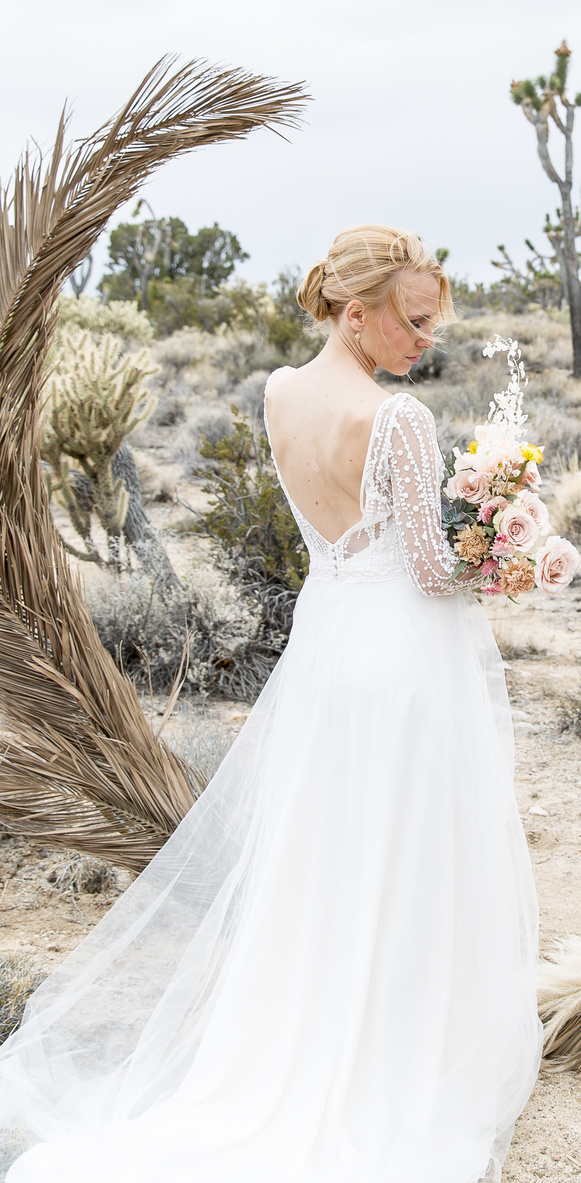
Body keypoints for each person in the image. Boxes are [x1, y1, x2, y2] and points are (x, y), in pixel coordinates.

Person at [0, 225, 543, 1181]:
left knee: (330, 856)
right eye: (414, 322)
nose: (428, 340)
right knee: (406, 852)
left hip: (329, 648)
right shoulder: (400, 423)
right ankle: (388, 1053)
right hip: (406, 661)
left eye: (434, 323)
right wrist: (507, 550)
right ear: (355, 311)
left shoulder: (277, 393)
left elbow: (337, 539)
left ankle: (310, 1034)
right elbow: (428, 568)